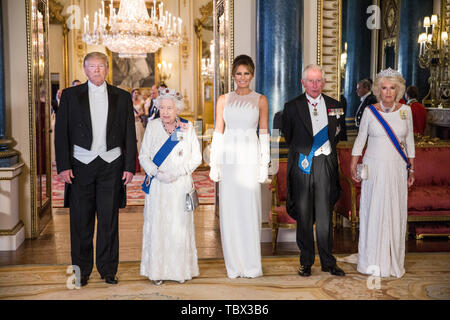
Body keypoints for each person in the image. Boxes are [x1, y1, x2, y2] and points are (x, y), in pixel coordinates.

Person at [54, 52, 136, 287]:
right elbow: (61, 134)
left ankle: (108, 269)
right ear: (85, 69)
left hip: (112, 164)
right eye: (91, 66)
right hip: (80, 165)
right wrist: (63, 165)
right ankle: (80, 272)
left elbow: (129, 133)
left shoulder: (122, 97)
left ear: (107, 69)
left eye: (100, 66)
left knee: (109, 220)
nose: (96, 70)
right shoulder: (70, 96)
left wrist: (130, 166)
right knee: (81, 221)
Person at [350, 68, 415, 278]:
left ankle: (392, 261)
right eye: (384, 88)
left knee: (395, 211)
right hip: (375, 167)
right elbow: (360, 140)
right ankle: (371, 260)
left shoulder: (406, 112)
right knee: (374, 211)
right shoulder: (370, 112)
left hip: (397, 167)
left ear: (398, 90)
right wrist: (353, 164)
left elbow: (410, 141)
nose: (388, 92)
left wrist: (411, 168)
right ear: (378, 90)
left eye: (392, 88)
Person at [209, 54, 269, 278]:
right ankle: (234, 266)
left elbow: (264, 133)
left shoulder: (260, 99)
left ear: (252, 75)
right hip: (229, 160)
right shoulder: (223, 99)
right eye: (238, 74)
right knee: (231, 212)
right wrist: (214, 164)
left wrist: (264, 165)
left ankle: (252, 265)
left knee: (249, 211)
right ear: (233, 75)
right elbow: (218, 132)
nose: (242, 78)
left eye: (246, 73)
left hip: (250, 159)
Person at [282, 64, 345, 277]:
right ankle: (306, 262)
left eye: (318, 81)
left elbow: (338, 136)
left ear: (324, 83)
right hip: (303, 165)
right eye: (311, 80)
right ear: (303, 83)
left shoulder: (336, 106)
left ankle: (328, 262)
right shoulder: (291, 107)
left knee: (325, 216)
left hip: (325, 165)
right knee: (305, 216)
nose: (315, 85)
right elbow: (288, 137)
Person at [139, 88, 202, 285]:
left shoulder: (186, 127)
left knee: (178, 227)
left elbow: (196, 157)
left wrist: (177, 173)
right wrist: (157, 173)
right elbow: (144, 156)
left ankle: (179, 271)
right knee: (159, 227)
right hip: (158, 185)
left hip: (179, 185)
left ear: (178, 109)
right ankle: (157, 271)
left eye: (169, 108)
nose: (165, 112)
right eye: (162, 107)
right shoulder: (152, 126)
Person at [132, 88, 146, 154]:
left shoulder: (141, 102)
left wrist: (139, 114)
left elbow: (144, 111)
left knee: (140, 137)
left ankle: (141, 152)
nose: (136, 94)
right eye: (135, 93)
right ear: (132, 94)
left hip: (139, 121)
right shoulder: (129, 101)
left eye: (137, 93)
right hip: (132, 122)